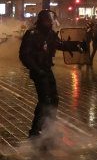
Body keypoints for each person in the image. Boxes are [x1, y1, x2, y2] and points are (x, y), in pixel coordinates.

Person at [19, 10, 85, 138]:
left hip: (47, 69)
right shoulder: (32, 34)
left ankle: (50, 127)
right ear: (42, 20)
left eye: (51, 21)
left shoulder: (50, 34)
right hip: (38, 71)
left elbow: (60, 44)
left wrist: (76, 45)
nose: (51, 23)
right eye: (49, 20)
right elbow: (24, 55)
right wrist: (37, 70)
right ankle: (35, 131)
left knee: (54, 99)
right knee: (44, 100)